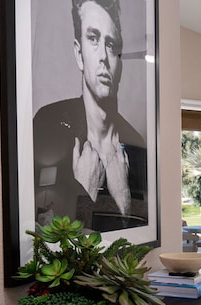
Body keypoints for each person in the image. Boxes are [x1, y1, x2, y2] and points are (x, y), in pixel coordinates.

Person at [33, 0, 147, 230]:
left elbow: (138, 227)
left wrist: (123, 195)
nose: (104, 56)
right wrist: (85, 191)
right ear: (78, 53)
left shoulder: (135, 144)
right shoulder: (48, 124)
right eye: (93, 39)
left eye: (111, 45)